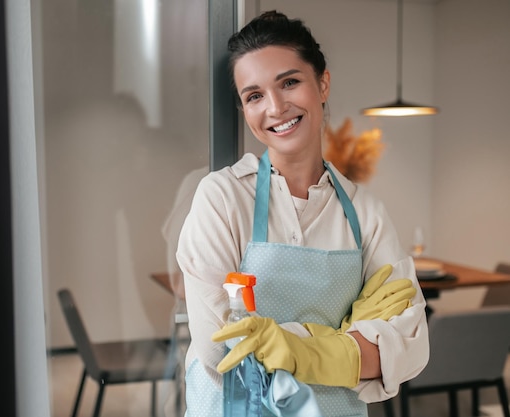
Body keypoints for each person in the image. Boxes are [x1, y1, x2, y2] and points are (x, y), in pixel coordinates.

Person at [176, 10, 429, 417]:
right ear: (244, 109)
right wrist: (348, 345)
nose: (275, 107)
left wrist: (290, 345)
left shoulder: (365, 212)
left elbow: (410, 348)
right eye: (254, 95)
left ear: (322, 83)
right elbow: (225, 353)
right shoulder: (221, 199)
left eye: (290, 82)